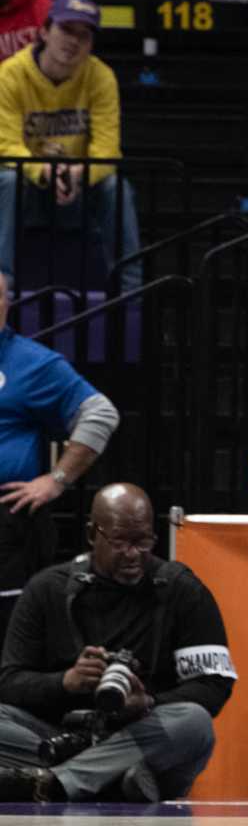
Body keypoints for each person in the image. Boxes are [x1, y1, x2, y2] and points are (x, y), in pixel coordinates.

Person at [0, 484, 229, 803]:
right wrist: (65, 683)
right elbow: (9, 683)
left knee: (194, 723)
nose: (133, 554)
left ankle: (56, 784)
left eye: (143, 541)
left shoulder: (182, 589)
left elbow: (214, 686)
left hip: (142, 735)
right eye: (121, 542)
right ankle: (111, 778)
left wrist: (147, 703)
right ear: (93, 534)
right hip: (61, 736)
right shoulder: (46, 589)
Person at [0, 269, 119, 643]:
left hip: (7, 521)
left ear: (5, 304)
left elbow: (100, 413)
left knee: (9, 634)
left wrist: (57, 479)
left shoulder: (30, 362)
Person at [0, 0, 144, 292]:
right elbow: (6, 144)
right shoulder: (10, 75)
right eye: (66, 29)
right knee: (7, 179)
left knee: (116, 187)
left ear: (91, 43)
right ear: (44, 32)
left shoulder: (101, 77)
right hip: (28, 185)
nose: (74, 41)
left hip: (78, 186)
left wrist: (78, 175)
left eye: (84, 35)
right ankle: (3, 287)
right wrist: (45, 173)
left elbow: (107, 149)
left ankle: (131, 295)